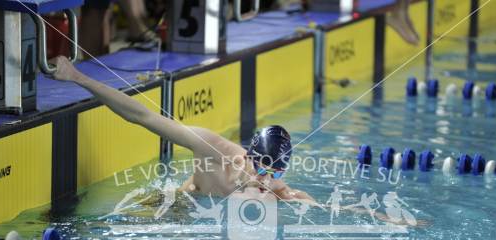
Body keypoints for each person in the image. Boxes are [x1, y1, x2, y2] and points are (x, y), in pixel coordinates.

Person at [50, 56, 317, 204]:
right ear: (247, 157)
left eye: (275, 173)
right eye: (261, 171)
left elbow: (314, 207)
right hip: (176, 206)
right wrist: (77, 77)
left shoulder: (277, 192)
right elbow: (141, 115)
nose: (265, 181)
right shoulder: (211, 150)